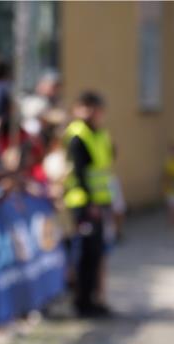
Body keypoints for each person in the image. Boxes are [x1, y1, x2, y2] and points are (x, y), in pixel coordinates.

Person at [63, 90, 116, 317]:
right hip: (84, 204)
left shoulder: (100, 134)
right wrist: (91, 203)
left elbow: (107, 162)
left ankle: (94, 298)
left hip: (99, 201)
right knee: (85, 254)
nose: (89, 113)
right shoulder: (78, 136)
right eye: (84, 107)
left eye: (93, 108)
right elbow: (80, 172)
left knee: (97, 254)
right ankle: (83, 302)